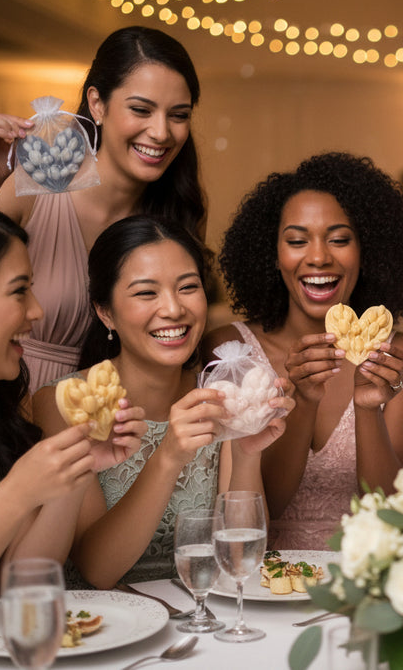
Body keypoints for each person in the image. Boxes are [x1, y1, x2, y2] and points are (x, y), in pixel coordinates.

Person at [32, 217, 292, 588]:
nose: (173, 309)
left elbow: (239, 562)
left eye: (188, 287)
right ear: (105, 312)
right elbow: (97, 571)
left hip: (199, 619)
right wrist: (168, 456)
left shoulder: (218, 390)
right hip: (105, 627)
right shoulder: (69, 403)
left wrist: (247, 452)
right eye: (146, 293)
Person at [0, 199, 145, 620]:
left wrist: (79, 464)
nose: (37, 311)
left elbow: (23, 589)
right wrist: (15, 494)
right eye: (19, 290)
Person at [0, 26, 206, 392]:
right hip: (11, 405)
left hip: (117, 421)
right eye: (141, 109)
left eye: (179, 115)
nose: (161, 132)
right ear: (97, 104)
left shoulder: (178, 213)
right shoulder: (36, 188)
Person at [207, 152, 403, 550]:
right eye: (296, 241)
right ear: (273, 255)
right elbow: (263, 508)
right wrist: (304, 399)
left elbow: (389, 508)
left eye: (340, 239)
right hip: (262, 582)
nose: (319, 257)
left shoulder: (400, 354)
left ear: (367, 251)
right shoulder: (231, 350)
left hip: (364, 580)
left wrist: (367, 408)